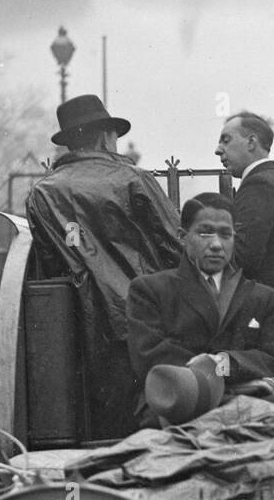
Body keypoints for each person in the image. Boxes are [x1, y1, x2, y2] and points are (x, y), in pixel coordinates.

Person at [26, 94, 183, 438]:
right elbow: (176, 244)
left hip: (81, 321)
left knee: (99, 420)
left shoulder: (44, 192)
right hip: (145, 314)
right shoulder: (133, 179)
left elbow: (50, 262)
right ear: (103, 136)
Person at [126, 193, 274, 428]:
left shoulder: (262, 297)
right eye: (205, 233)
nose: (216, 244)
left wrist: (224, 362)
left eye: (225, 234)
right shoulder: (150, 290)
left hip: (249, 404)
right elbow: (150, 358)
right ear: (182, 236)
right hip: (174, 404)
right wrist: (221, 379)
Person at [215, 112, 274, 342]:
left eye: (226, 140)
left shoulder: (259, 184)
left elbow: (243, 256)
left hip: (260, 316)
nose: (218, 150)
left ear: (252, 142)